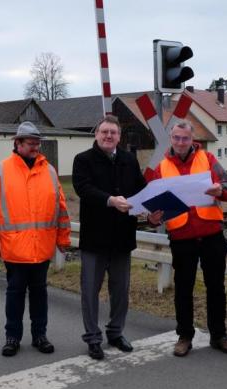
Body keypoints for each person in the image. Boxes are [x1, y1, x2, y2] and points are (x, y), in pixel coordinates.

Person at [145, 120, 227, 357]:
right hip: (181, 237)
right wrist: (153, 218)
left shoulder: (207, 159)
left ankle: (219, 335)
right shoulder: (161, 167)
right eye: (176, 138)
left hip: (211, 235)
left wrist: (221, 190)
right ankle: (184, 335)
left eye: (184, 138)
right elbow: (152, 209)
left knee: (216, 288)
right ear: (171, 139)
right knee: (183, 289)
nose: (180, 142)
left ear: (192, 139)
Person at [72, 115, 162, 360]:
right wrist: (110, 200)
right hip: (95, 238)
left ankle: (115, 332)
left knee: (120, 290)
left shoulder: (128, 159)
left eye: (113, 132)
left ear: (119, 137)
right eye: (104, 132)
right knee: (90, 290)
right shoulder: (83, 160)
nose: (108, 136)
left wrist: (152, 212)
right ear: (96, 134)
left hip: (122, 237)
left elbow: (141, 190)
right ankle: (92, 338)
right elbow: (83, 188)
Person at [0, 121, 71, 357]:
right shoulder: (0, 171)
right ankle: (12, 337)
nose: (35, 147)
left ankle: (40, 335)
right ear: (17, 143)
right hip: (15, 249)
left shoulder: (49, 171)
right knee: (15, 294)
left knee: (40, 293)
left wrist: (63, 239)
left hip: (42, 247)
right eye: (31, 143)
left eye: (37, 143)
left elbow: (60, 208)